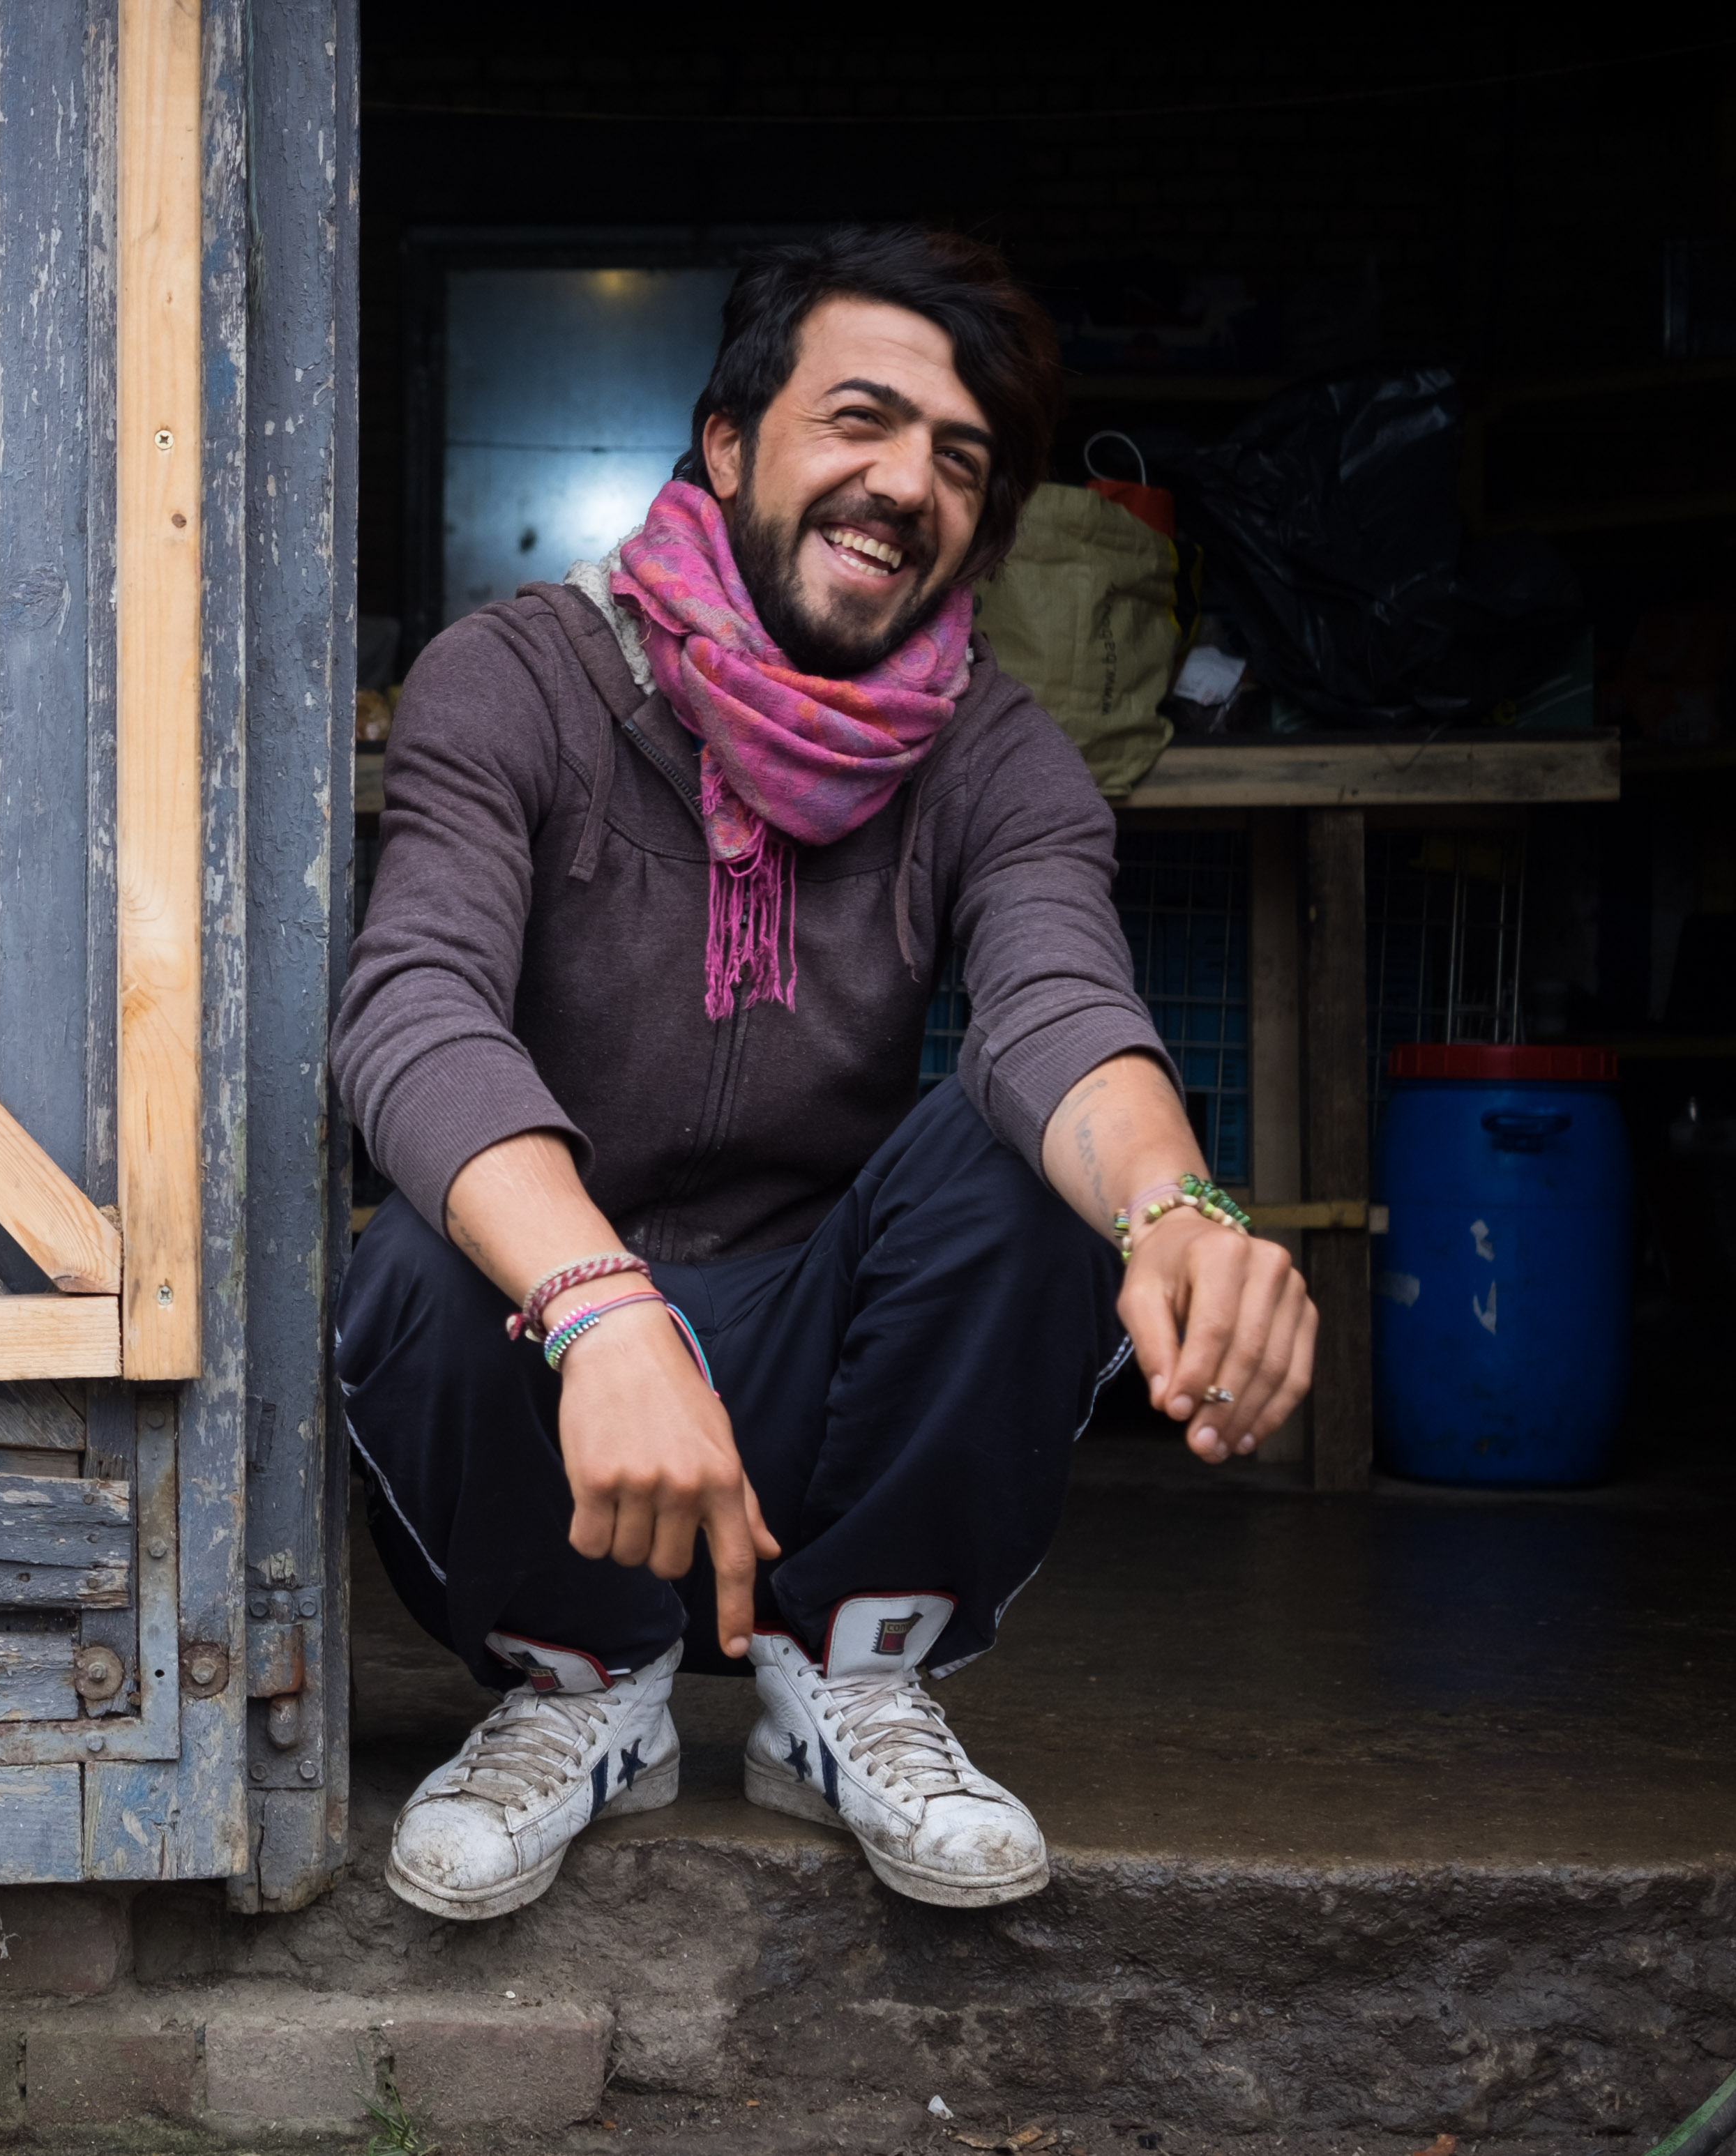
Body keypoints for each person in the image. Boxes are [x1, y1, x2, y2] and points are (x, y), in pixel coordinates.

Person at [331, 227, 1315, 1922]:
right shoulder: (518, 683)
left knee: (1023, 1174)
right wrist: (596, 1300)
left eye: (960, 458)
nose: (905, 482)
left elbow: (1056, 1005)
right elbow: (411, 1009)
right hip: (561, 1379)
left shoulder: (994, 753)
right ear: (728, 446)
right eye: (860, 419)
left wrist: (1182, 1210)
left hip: (813, 1382)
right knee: (417, 1243)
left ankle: (847, 1680)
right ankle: (580, 1696)